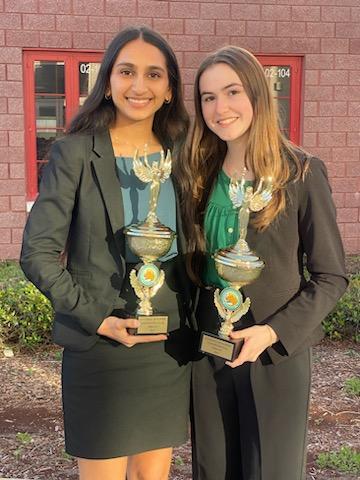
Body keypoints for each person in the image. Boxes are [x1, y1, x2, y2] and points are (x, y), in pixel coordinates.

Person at [20, 26, 194, 480]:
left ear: (170, 88)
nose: (140, 85)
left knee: (151, 476)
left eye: (154, 74)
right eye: (127, 71)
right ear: (108, 80)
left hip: (167, 343)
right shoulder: (74, 153)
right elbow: (37, 253)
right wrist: (97, 317)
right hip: (102, 343)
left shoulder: (186, 156)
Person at [182, 46, 348, 480]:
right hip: (210, 347)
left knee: (268, 470)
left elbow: (331, 276)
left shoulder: (302, 172)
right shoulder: (198, 172)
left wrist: (273, 331)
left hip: (273, 352)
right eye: (207, 97)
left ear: (257, 93)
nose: (220, 108)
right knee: (212, 469)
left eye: (232, 91)